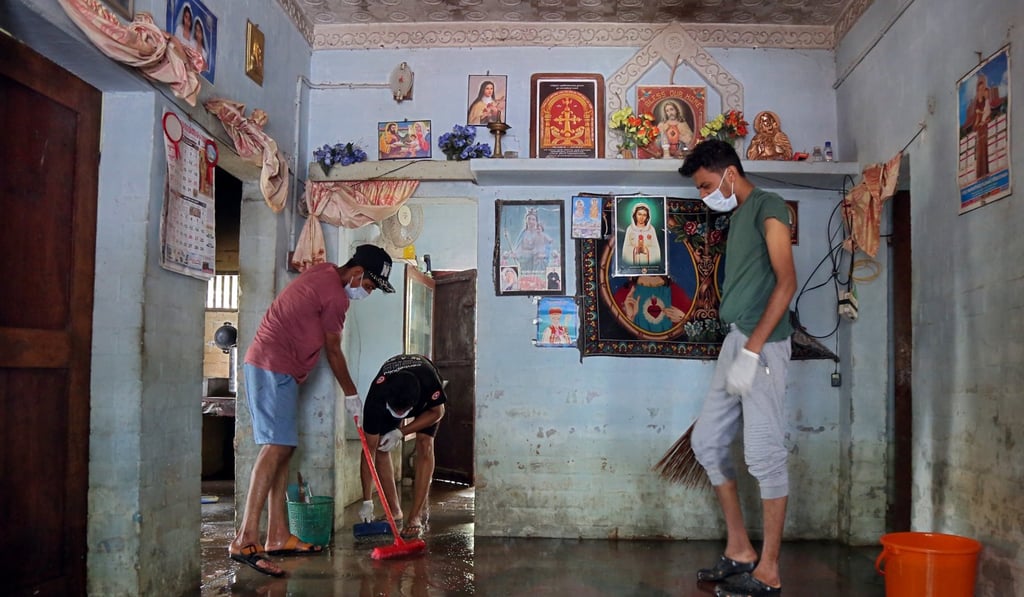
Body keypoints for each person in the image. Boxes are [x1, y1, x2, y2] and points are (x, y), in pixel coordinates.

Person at [228, 244, 395, 577]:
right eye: (370, 286)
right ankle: (245, 538)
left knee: (284, 450)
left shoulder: (325, 272)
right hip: (271, 365)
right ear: (358, 273)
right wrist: (352, 393)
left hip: (279, 368)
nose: (368, 293)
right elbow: (334, 351)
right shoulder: (337, 297)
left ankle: (277, 535)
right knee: (275, 447)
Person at [678, 139, 796, 597]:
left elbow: (786, 281)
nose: (706, 194)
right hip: (737, 340)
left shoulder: (768, 205)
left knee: (764, 456)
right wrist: (740, 348)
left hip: (761, 345)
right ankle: (741, 548)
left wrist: (754, 350)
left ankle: (768, 570)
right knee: (707, 442)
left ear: (728, 171)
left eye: (707, 184)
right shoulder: (738, 216)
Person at [357, 354, 447, 540]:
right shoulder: (377, 397)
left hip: (425, 400)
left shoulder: (429, 382)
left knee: (425, 443)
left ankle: (414, 517)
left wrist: (401, 432)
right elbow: (368, 451)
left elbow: (438, 412)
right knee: (381, 446)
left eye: (402, 412)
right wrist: (367, 500)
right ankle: (394, 511)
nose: (399, 414)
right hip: (390, 394)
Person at [613, 275, 691, 335]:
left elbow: (694, 332)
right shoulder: (624, 296)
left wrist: (684, 319)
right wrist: (630, 318)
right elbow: (616, 335)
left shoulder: (676, 293)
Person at [511, 208, 554, 286]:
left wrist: (543, 255)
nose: (531, 221)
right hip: (526, 261)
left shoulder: (540, 233)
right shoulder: (524, 233)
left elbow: (547, 247)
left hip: (537, 261)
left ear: (536, 221)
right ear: (526, 221)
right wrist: (516, 254)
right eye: (529, 219)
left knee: (537, 280)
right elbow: (519, 247)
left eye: (533, 219)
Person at [964, 74, 992, 178]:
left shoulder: (986, 102)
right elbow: (975, 123)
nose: (981, 92)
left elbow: (988, 116)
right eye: (979, 90)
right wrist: (978, 120)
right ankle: (980, 174)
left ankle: (986, 172)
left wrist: (984, 121)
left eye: (982, 89)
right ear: (977, 91)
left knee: (985, 150)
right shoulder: (976, 104)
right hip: (979, 131)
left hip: (985, 129)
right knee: (980, 152)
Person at [621, 203, 662, 267]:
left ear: (647, 217)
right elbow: (626, 249)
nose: (641, 217)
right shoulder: (630, 229)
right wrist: (634, 250)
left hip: (647, 265)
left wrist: (646, 250)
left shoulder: (651, 229)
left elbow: (656, 249)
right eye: (639, 214)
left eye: (644, 215)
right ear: (635, 215)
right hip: (634, 266)